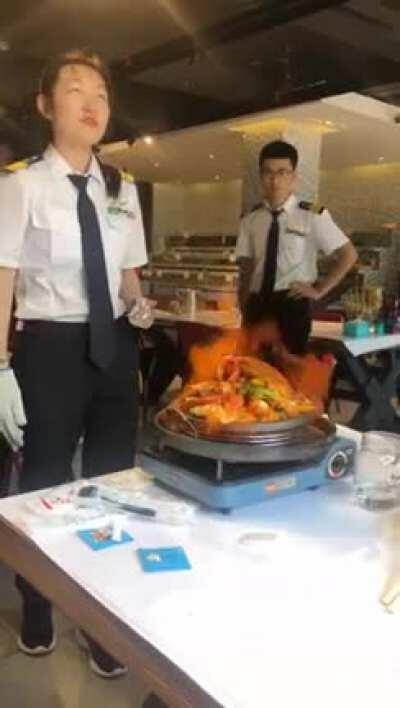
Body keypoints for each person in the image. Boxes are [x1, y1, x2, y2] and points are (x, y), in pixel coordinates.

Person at [0, 50, 154, 678]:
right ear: (45, 106)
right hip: (47, 350)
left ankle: (101, 621)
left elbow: (127, 276)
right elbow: (3, 280)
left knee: (115, 482)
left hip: (113, 346)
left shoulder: (123, 190)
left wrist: (141, 306)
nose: (92, 102)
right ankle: (37, 602)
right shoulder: (20, 186)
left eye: (101, 93)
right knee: (43, 485)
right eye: (74, 89)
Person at [236, 140, 357, 354]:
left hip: (290, 305)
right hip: (256, 305)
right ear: (261, 176)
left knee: (289, 375)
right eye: (268, 172)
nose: (275, 180)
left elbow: (348, 255)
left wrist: (319, 290)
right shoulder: (250, 219)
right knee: (250, 372)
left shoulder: (312, 215)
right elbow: (246, 268)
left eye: (282, 172)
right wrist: (244, 307)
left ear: (294, 177)